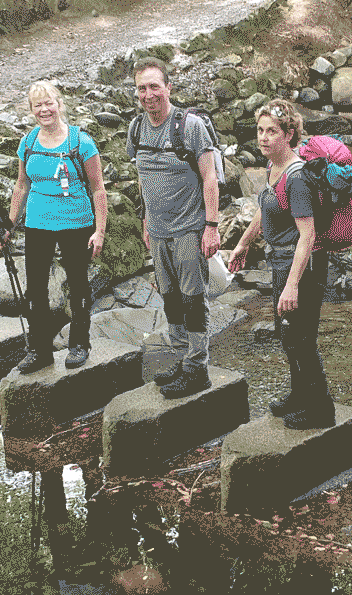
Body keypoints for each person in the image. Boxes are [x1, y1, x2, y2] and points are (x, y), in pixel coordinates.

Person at [228, 98, 335, 430]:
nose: (263, 138)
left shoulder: (298, 176)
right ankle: (300, 395)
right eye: (260, 130)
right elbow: (266, 207)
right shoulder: (273, 169)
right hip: (280, 261)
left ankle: (321, 409)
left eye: (271, 131)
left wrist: (291, 284)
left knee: (301, 337)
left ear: (289, 134)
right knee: (288, 335)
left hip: (302, 266)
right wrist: (244, 243)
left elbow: (308, 235)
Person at [127, 57, 221, 398]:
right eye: (142, 88)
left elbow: (210, 177)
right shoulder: (136, 128)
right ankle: (182, 361)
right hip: (158, 231)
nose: (149, 94)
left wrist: (211, 226)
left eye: (155, 86)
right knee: (170, 299)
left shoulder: (190, 126)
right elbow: (143, 178)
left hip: (189, 229)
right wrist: (146, 222)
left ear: (169, 88)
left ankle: (198, 369)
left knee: (193, 300)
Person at [0, 80, 107, 373]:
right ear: (32, 110)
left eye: (49, 103)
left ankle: (79, 344)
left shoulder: (80, 142)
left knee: (78, 284)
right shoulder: (28, 143)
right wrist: (9, 223)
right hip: (38, 223)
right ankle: (40, 350)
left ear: (59, 104)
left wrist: (100, 230)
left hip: (76, 222)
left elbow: (98, 188)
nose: (44, 110)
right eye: (38, 105)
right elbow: (21, 186)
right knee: (35, 289)